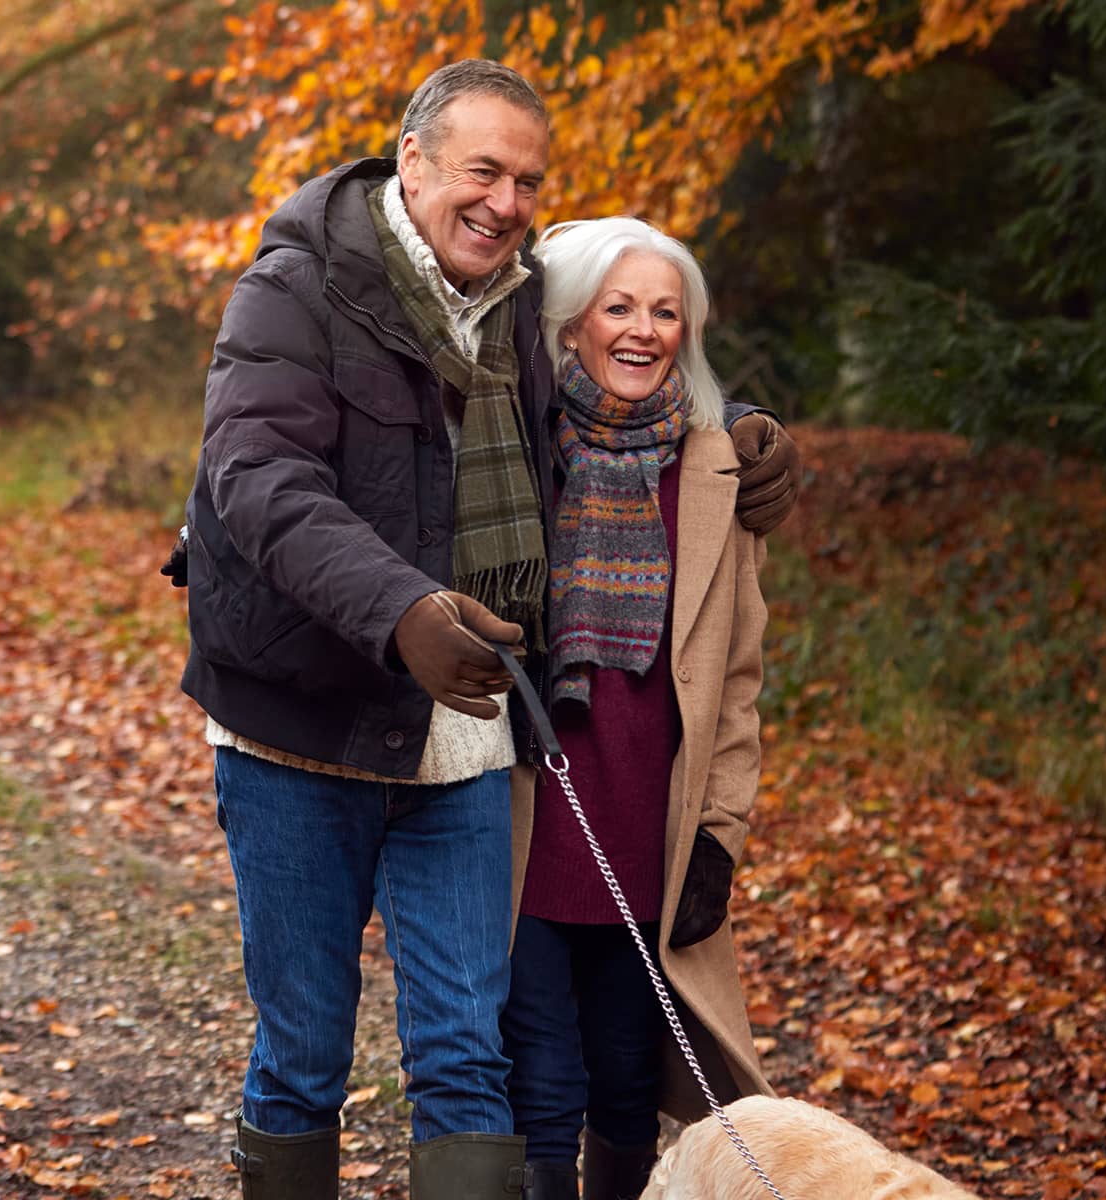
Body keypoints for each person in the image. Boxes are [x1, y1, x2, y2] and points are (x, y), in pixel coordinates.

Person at [177, 60, 801, 1199]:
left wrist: (740, 428)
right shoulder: (293, 289)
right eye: (481, 170)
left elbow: (623, 387)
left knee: (469, 1060)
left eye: (526, 180)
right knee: (305, 1057)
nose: (504, 201)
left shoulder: (519, 304)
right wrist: (402, 608)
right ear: (411, 161)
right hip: (297, 730)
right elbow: (258, 477)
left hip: (462, 740)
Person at [500, 217, 779, 1200]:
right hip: (526, 824)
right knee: (541, 1079)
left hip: (646, 835)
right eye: (619, 307)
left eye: (665, 312)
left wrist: (719, 834)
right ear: (572, 323)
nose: (642, 329)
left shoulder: (715, 471)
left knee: (624, 1079)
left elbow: (738, 679)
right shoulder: (519, 456)